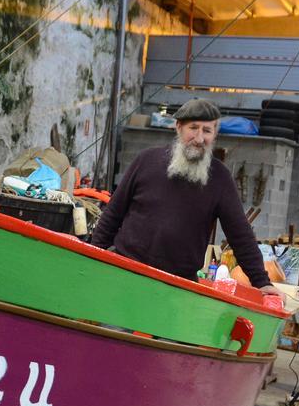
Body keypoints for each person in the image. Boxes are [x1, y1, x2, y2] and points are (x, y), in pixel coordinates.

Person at [90, 98, 276, 294]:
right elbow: (112, 215)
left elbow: (241, 235)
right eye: (193, 128)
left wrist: (262, 282)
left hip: (177, 288)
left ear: (215, 134)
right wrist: (94, 256)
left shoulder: (220, 178)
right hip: (125, 273)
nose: (199, 138)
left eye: (207, 130)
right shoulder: (146, 160)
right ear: (178, 127)